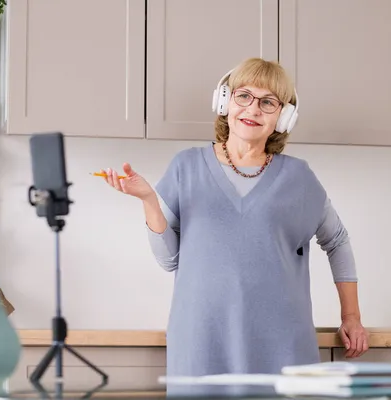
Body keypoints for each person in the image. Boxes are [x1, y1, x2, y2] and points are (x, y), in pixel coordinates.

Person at [100, 57, 369, 388]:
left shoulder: (300, 178)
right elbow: (169, 259)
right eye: (244, 96)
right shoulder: (186, 167)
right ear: (225, 102)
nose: (253, 110)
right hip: (202, 340)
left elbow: (337, 241)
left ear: (283, 117)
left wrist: (351, 317)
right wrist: (148, 200)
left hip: (281, 344)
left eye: (268, 102)